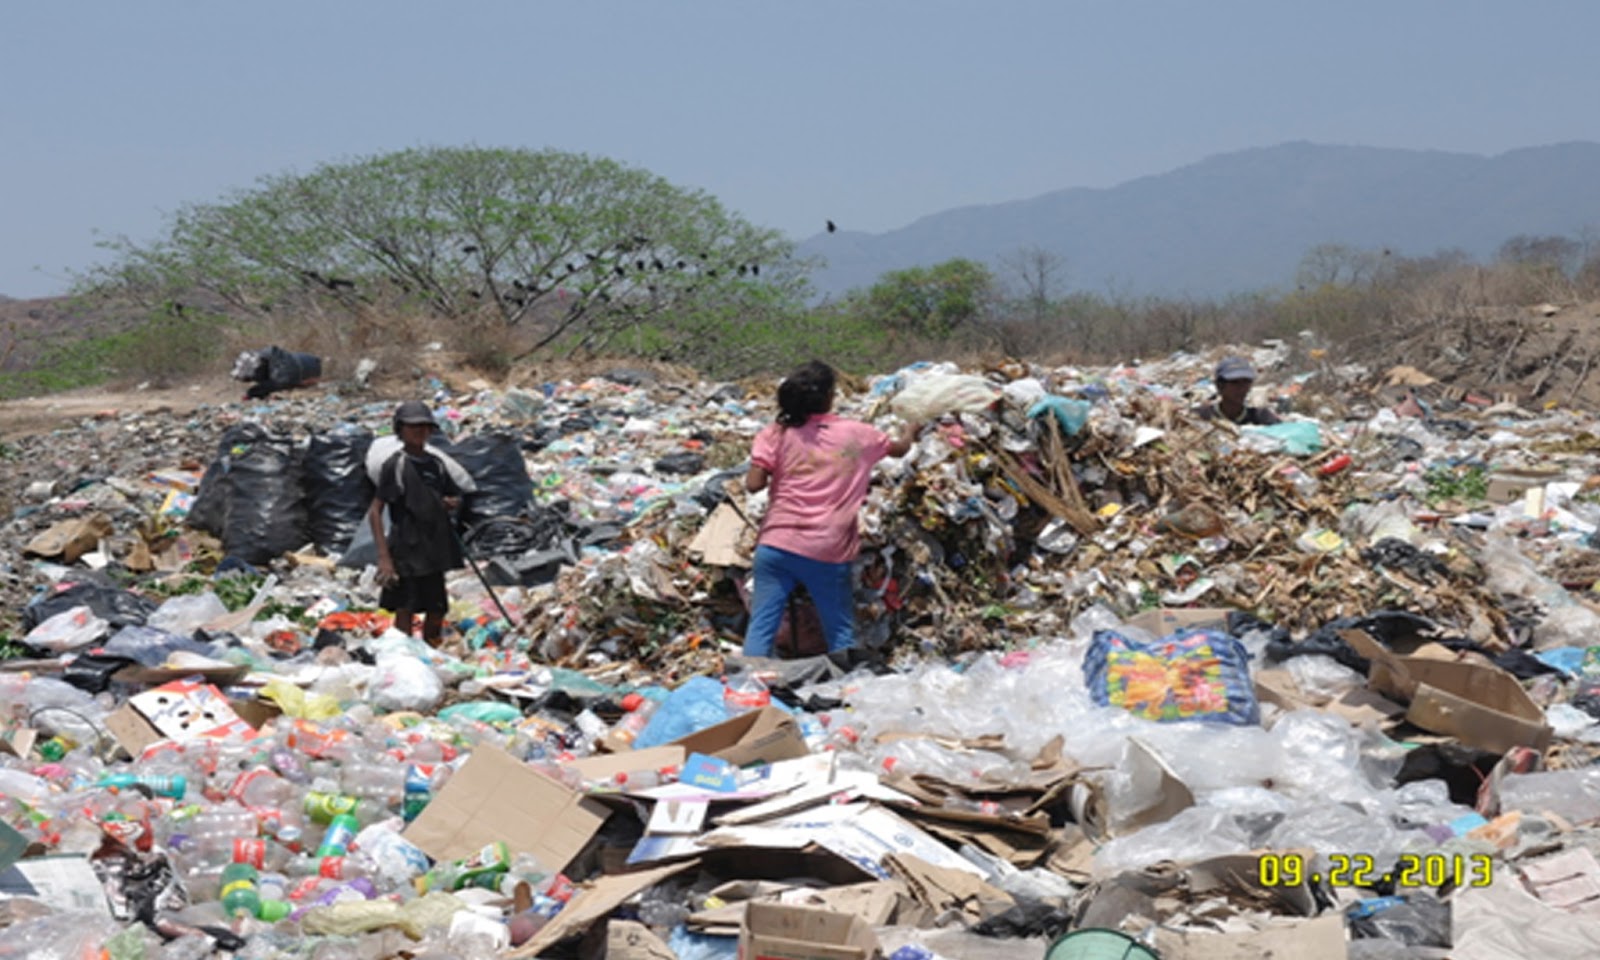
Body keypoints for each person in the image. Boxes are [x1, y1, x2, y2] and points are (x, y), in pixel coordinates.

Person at [742, 361, 921, 658]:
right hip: (827, 548)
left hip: (775, 544)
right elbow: (900, 449)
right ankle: (845, 692)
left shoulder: (776, 433)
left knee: (762, 626)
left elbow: (752, 485)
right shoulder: (858, 435)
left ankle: (746, 692)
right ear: (828, 397)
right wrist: (911, 429)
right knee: (838, 627)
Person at [368, 401, 473, 646]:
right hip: (407, 546)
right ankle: (405, 656)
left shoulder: (435, 464)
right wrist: (384, 558)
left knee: (437, 608)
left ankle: (431, 652)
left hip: (434, 546)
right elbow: (376, 511)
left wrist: (450, 503)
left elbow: (452, 494)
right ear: (400, 430)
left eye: (425, 427)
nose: (420, 432)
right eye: (413, 427)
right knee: (406, 608)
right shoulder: (397, 464)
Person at [1197, 355, 1280, 425]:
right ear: (1220, 386)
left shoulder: (1261, 418)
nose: (1241, 388)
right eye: (1235, 382)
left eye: (1246, 382)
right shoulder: (1202, 417)